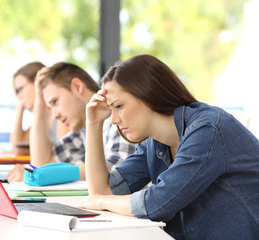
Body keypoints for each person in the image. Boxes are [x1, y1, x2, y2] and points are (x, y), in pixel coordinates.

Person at [79, 54, 259, 239]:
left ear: (148, 95)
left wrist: (102, 200)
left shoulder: (208, 130)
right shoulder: (154, 142)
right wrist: (93, 124)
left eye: (118, 106)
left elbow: (156, 204)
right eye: (110, 110)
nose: (114, 120)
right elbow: (102, 191)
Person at [7, 62, 136, 182]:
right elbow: (42, 162)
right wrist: (39, 104)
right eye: (50, 107)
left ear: (77, 86)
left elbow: (115, 172)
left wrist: (45, 174)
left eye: (55, 102)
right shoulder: (83, 129)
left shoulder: (116, 116)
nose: (55, 115)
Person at [10, 62, 68, 155]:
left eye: (20, 89)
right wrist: (19, 110)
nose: (19, 97)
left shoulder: (60, 113)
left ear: (38, 83)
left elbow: (61, 156)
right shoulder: (43, 116)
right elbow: (17, 147)